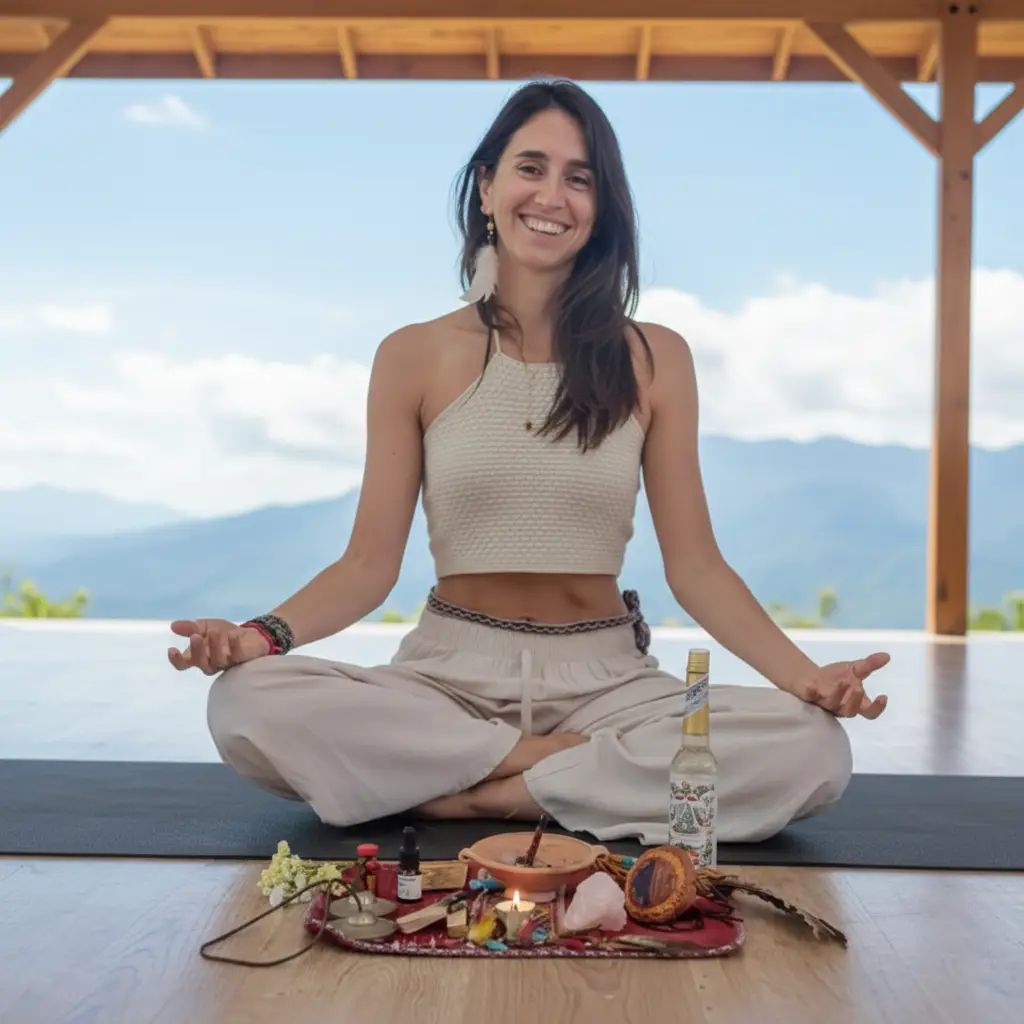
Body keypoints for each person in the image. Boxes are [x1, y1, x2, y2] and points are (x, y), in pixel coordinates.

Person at [168, 79, 890, 846]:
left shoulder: (655, 358)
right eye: (531, 168)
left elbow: (698, 569)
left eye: (580, 178)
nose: (552, 196)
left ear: (602, 207)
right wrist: (258, 638)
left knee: (812, 749)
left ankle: (461, 795)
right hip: (448, 677)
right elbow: (367, 567)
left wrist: (805, 678)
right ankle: (558, 773)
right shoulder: (412, 355)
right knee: (246, 701)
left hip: (608, 683)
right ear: (486, 186)